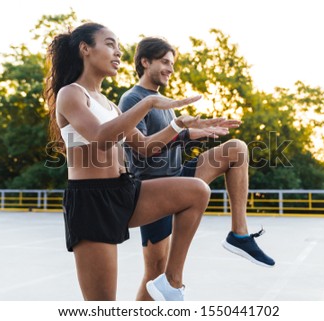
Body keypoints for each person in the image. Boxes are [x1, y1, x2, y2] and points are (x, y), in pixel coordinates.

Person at [44, 22, 240, 301]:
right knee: (102, 308)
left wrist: (178, 127)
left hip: (125, 190)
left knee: (197, 191)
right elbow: (100, 139)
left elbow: (146, 147)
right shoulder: (72, 94)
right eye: (110, 44)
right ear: (85, 49)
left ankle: (171, 283)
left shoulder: (110, 105)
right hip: (92, 201)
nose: (118, 53)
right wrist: (147, 104)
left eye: (119, 48)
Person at [118, 37, 276, 301]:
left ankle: (239, 234)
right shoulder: (132, 99)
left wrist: (195, 133)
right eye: (165, 62)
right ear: (145, 62)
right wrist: (184, 132)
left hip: (180, 176)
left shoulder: (163, 100)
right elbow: (142, 149)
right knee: (155, 273)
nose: (170, 68)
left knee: (236, 149)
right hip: (154, 188)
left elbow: (173, 137)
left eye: (172, 63)